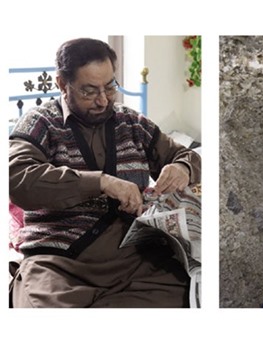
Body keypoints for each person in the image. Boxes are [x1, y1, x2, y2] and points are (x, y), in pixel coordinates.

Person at [8, 38, 202, 308]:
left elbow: (186, 155)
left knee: (189, 297)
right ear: (62, 84)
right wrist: (99, 182)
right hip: (60, 263)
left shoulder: (132, 122)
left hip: (135, 260)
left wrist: (183, 167)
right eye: (89, 91)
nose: (103, 100)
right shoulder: (39, 123)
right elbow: (18, 180)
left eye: (110, 87)